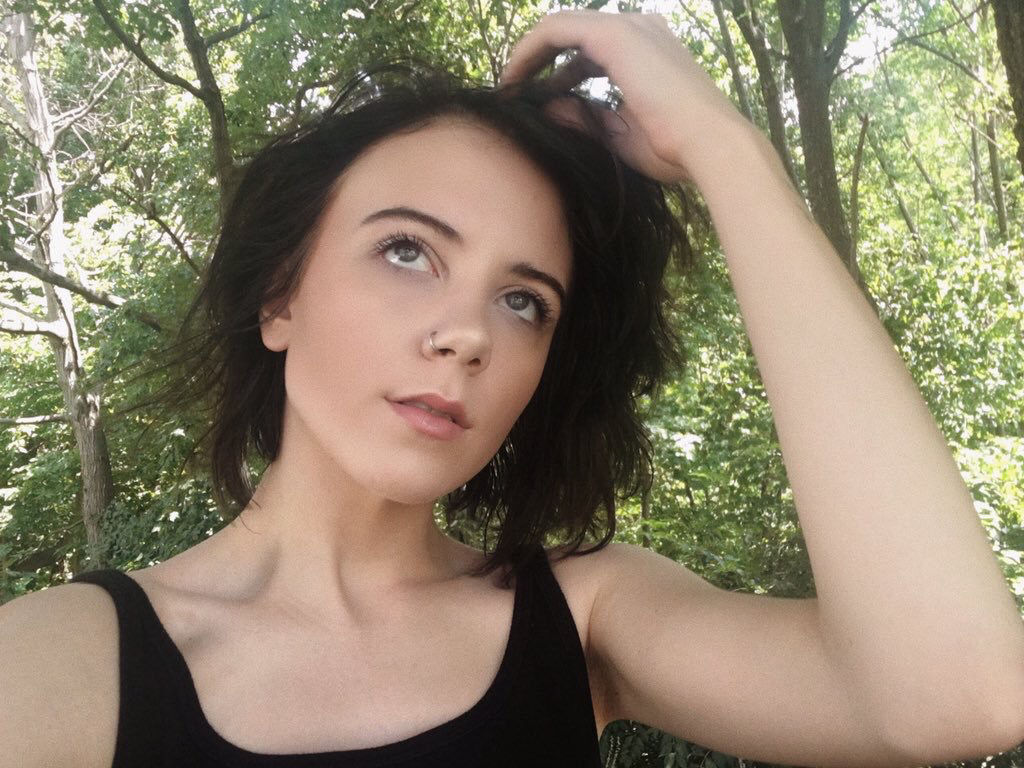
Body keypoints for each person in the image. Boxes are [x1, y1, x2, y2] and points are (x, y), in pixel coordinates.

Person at [2, 9, 1023, 768]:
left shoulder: (582, 620)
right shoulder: (57, 666)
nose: (467, 335)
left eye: (524, 302)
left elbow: (960, 692)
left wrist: (726, 149)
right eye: (407, 250)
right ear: (280, 297)